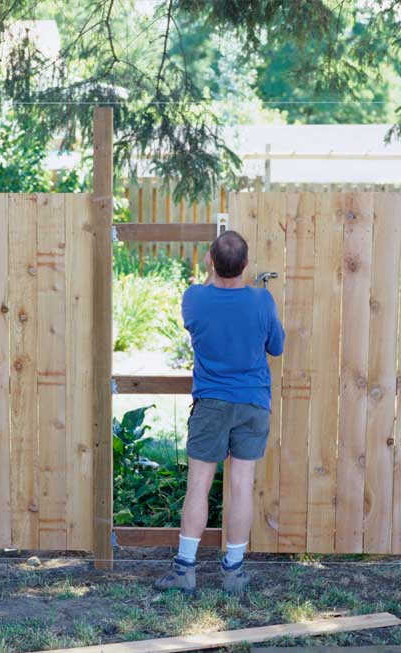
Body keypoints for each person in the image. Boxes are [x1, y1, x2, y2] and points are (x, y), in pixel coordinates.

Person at [154, 230, 284, 595]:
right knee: (241, 487)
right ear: (245, 265)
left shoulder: (194, 298)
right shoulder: (262, 302)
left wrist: (217, 274)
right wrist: (258, 296)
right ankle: (234, 572)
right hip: (252, 404)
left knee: (198, 486)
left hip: (210, 404)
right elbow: (276, 346)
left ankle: (184, 570)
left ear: (210, 261)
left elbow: (211, 299)